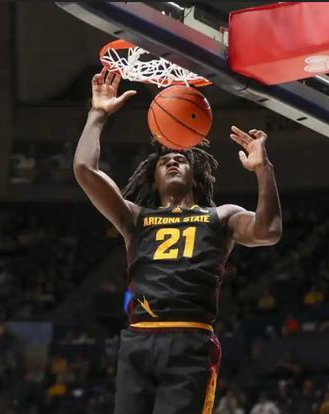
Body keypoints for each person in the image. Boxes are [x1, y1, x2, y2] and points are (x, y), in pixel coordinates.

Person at [73, 68, 282, 414]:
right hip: (139, 339)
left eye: (181, 158)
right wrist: (97, 113)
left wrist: (264, 170)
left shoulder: (222, 217)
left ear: (195, 176)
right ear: (152, 178)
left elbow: (268, 230)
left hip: (190, 342)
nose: (172, 160)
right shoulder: (134, 217)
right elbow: (84, 169)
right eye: (164, 160)